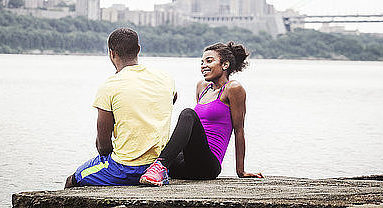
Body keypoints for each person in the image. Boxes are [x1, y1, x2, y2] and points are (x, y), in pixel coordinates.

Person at [64, 27, 176, 188]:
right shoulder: (166, 78)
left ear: (112, 53)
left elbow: (103, 145)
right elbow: (172, 99)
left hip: (125, 168)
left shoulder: (109, 86)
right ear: (139, 49)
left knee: (72, 180)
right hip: (158, 167)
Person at [139, 41, 262, 186]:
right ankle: (148, 168)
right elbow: (193, 131)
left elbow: (239, 130)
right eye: (202, 62)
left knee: (188, 113)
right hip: (185, 164)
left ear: (225, 65)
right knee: (154, 143)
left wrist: (240, 171)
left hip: (206, 167)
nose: (203, 65)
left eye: (209, 61)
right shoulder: (202, 87)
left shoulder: (233, 88)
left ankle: (159, 167)